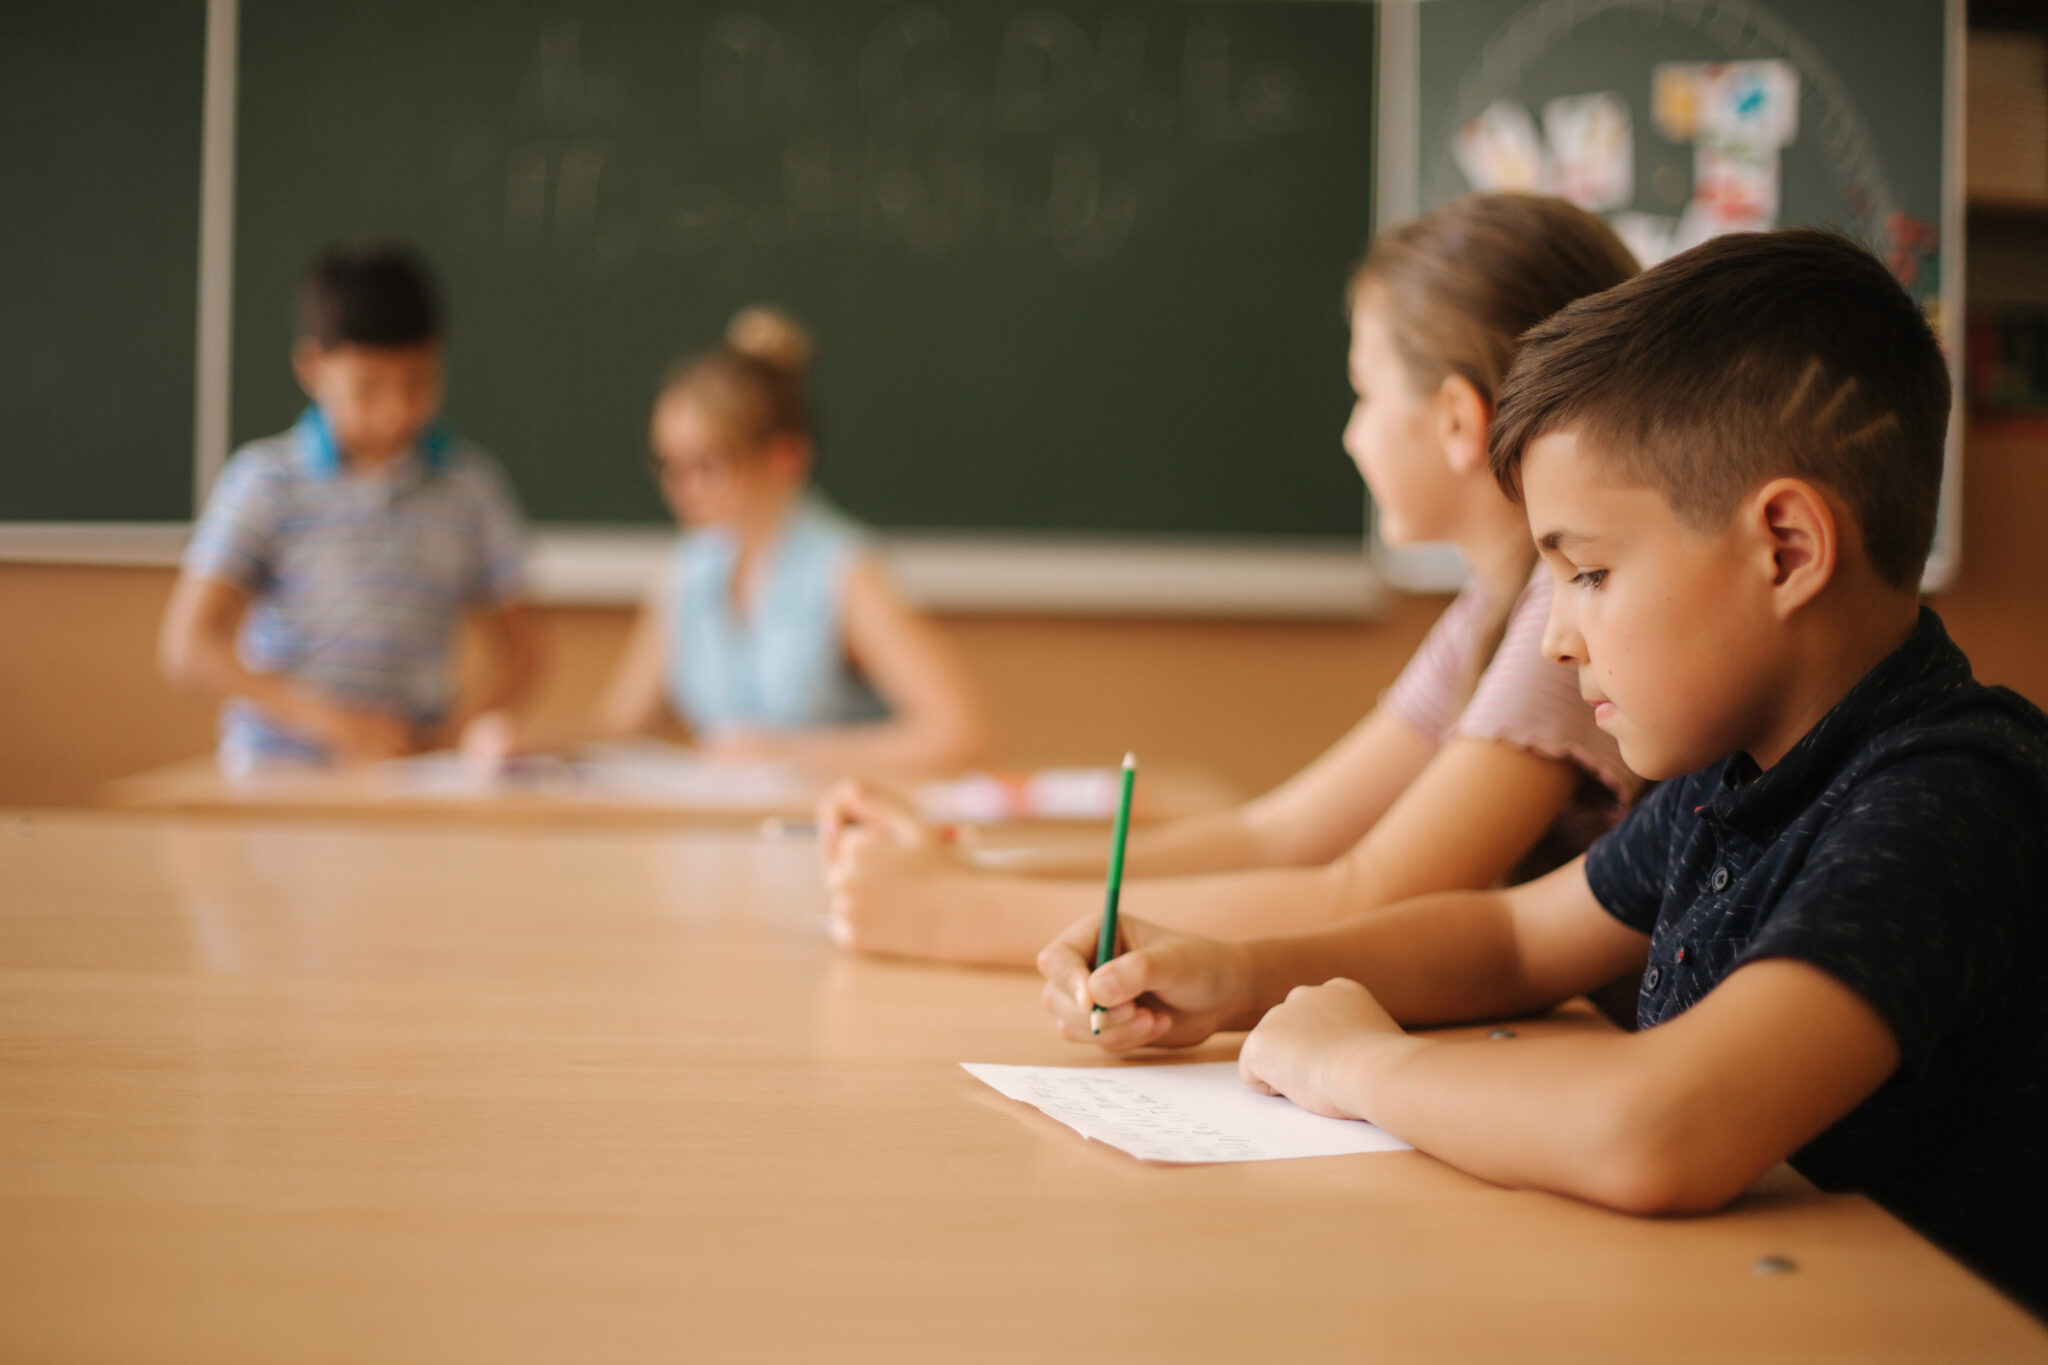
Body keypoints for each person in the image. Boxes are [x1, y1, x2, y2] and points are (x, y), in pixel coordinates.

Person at [1039, 229, 2048, 1318]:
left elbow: (1661, 1131)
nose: (1559, 641)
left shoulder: (1945, 798)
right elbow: (1514, 938)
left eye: (1591, 573)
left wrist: (1357, 1070)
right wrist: (1238, 973)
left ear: (1787, 551)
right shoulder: (1734, 773)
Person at [819, 194, 1643, 965]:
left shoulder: (1562, 624)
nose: (1352, 435)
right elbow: (1274, 834)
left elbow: (1369, 895)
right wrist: (971, 867)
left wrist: (951, 915)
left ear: (1459, 421)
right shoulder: (1492, 606)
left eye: (1365, 393)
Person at [472, 307, 985, 777]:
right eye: (667, 466)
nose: (682, 490)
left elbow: (959, 734)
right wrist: (537, 744)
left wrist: (792, 753)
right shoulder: (688, 570)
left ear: (785, 457)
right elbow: (625, 724)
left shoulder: (844, 572)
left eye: (707, 466)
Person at [160, 242, 537, 769]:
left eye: (418, 382)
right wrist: (331, 724)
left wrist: (461, 727)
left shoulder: (470, 488)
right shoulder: (265, 481)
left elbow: (525, 649)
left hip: (409, 774)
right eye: (368, 388)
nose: (396, 411)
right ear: (313, 366)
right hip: (277, 774)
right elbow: (187, 647)